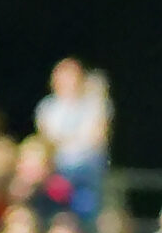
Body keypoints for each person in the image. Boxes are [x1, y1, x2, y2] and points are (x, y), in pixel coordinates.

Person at [35, 58, 111, 220]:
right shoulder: (47, 107)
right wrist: (77, 139)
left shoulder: (95, 105)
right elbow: (47, 142)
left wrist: (65, 140)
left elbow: (97, 138)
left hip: (86, 169)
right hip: (58, 170)